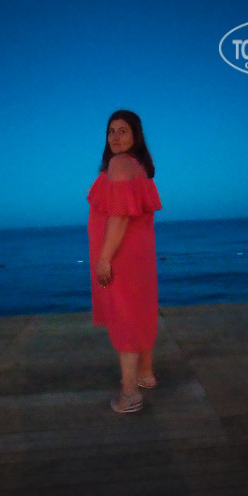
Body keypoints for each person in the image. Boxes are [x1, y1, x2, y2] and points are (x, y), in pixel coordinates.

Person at [87, 110, 162, 413]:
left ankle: (130, 395)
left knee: (125, 318)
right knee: (139, 311)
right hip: (139, 255)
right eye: (111, 131)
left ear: (135, 135)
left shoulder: (119, 164)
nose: (115, 137)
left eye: (123, 131)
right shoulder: (138, 166)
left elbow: (118, 217)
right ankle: (145, 374)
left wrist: (104, 258)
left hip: (122, 255)